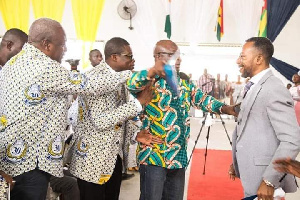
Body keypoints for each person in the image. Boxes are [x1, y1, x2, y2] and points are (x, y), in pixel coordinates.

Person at [0, 18, 138, 200]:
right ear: (46, 44)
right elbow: (89, 84)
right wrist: (137, 80)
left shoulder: (15, 63)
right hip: (31, 162)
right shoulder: (44, 66)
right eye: (63, 45)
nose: (65, 50)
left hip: (16, 158)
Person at [127, 40, 236, 200]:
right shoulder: (148, 82)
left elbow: (204, 100)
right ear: (157, 57)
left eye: (178, 55)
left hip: (178, 157)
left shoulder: (185, 84)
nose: (177, 59)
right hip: (154, 156)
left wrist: (228, 109)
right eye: (171, 55)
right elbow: (131, 84)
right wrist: (152, 72)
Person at [69, 37, 163, 200]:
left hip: (114, 158)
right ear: (114, 57)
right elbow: (101, 121)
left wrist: (135, 134)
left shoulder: (122, 79)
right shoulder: (93, 78)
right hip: (92, 161)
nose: (132, 61)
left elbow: (124, 116)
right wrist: (139, 102)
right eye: (129, 56)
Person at [229, 37, 300, 199]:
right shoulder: (253, 86)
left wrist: (269, 180)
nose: (238, 61)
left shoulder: (273, 88)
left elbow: (292, 139)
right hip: (252, 174)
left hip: (265, 180)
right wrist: (238, 158)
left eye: (242, 57)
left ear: (259, 59)